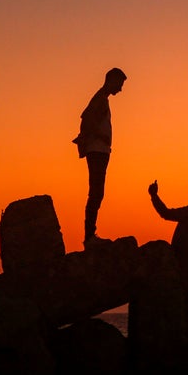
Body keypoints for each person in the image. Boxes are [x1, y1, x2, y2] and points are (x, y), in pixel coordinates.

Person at [73, 67, 127, 248]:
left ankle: (90, 235)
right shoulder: (100, 100)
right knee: (96, 192)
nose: (120, 89)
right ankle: (89, 237)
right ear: (112, 80)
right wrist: (99, 136)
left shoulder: (101, 99)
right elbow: (86, 118)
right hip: (97, 150)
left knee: (97, 192)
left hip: (100, 150)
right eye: (120, 84)